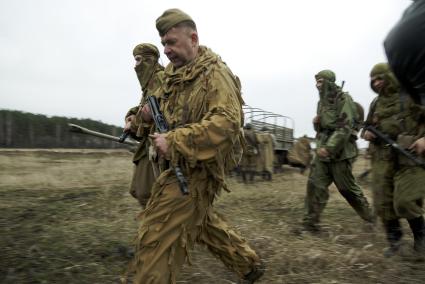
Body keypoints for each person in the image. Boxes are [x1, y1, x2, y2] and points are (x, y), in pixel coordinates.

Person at [125, 9, 264, 283]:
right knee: (200, 222)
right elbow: (157, 115)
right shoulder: (170, 77)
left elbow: (226, 122)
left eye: (171, 42)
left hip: (201, 170)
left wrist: (175, 141)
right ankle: (248, 264)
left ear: (193, 38)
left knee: (158, 235)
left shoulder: (215, 74)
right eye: (164, 44)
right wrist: (139, 119)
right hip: (173, 166)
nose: (166, 50)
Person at [363, 63, 425, 256]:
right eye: (373, 81)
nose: (377, 83)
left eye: (380, 78)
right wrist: (366, 133)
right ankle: (395, 243)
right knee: (383, 203)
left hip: (410, 157)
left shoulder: (411, 95)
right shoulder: (375, 103)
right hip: (382, 158)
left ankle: (421, 240)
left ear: (390, 76)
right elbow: (365, 126)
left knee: (405, 201)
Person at [302, 70, 374, 233]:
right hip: (323, 149)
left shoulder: (343, 99)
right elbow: (323, 128)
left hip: (340, 151)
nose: (317, 85)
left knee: (346, 188)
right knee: (315, 185)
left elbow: (344, 128)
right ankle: (310, 224)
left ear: (329, 82)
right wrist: (316, 123)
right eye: (316, 82)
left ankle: (369, 216)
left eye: (320, 81)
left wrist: (329, 148)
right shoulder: (321, 103)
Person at [123, 43, 164, 207]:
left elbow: (156, 113)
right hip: (149, 145)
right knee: (139, 191)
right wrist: (131, 115)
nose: (136, 65)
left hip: (157, 145)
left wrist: (134, 124)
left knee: (148, 195)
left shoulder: (160, 79)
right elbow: (144, 108)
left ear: (149, 60)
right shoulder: (150, 84)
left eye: (139, 60)